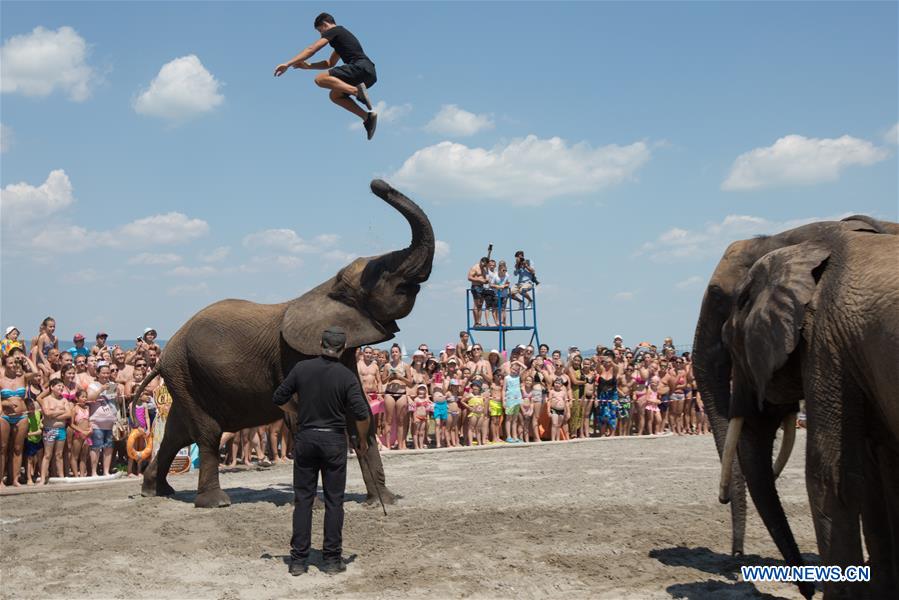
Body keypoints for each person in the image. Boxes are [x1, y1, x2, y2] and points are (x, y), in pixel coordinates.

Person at [272, 327, 371, 576]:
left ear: (320, 344)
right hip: (334, 440)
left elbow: (279, 397)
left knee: (303, 500)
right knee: (334, 501)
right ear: (343, 348)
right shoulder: (346, 376)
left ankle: (298, 560)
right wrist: (361, 439)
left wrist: (297, 410)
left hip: (306, 437)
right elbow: (362, 413)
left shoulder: (302, 369)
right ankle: (332, 559)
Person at [274, 12, 379, 140]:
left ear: (325, 24)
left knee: (320, 79)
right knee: (335, 96)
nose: (321, 35)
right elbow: (329, 63)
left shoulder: (335, 30)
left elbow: (311, 49)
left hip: (360, 67)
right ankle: (367, 117)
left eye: (320, 31)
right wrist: (308, 66)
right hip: (369, 74)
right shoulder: (341, 39)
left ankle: (357, 92)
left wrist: (288, 63)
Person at [467, 258, 490, 327]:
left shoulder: (484, 269)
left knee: (480, 305)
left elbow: (484, 278)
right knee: (476, 305)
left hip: (482, 287)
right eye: (483, 264)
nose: (484, 266)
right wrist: (479, 280)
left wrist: (486, 281)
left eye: (485, 265)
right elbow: (469, 277)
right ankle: (476, 322)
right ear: (481, 261)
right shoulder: (475, 267)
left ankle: (479, 322)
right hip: (475, 287)